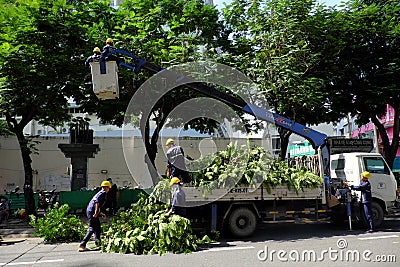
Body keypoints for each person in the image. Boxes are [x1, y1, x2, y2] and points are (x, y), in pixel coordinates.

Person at [78, 180, 111, 252]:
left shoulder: (102, 193)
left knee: (98, 227)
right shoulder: (102, 193)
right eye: (107, 188)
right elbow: (96, 203)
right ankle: (82, 245)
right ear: (107, 187)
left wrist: (101, 213)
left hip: (91, 211)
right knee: (92, 228)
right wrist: (96, 213)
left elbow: (98, 205)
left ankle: (98, 243)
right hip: (91, 211)